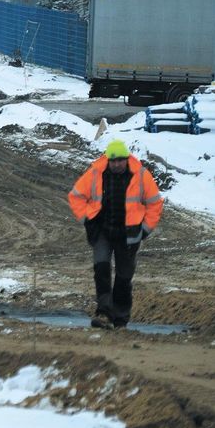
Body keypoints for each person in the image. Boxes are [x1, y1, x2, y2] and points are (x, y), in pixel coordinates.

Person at [68, 139, 163, 330]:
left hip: (129, 234)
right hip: (102, 231)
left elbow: (155, 204)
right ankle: (103, 313)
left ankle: (120, 319)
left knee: (123, 277)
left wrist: (145, 229)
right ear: (108, 160)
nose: (117, 164)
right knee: (101, 269)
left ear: (127, 159)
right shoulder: (96, 173)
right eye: (113, 160)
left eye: (120, 160)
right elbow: (75, 196)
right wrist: (88, 220)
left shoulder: (141, 176)